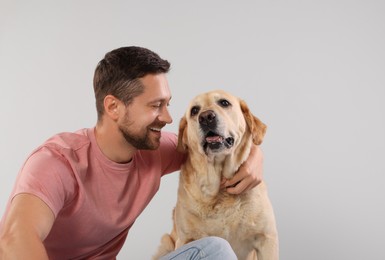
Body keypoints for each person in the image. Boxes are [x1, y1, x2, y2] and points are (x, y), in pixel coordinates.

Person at [0, 46, 264, 259]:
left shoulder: (155, 150)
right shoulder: (57, 162)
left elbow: (216, 142)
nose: (168, 117)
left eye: (167, 104)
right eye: (156, 105)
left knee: (215, 251)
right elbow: (14, 238)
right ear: (114, 107)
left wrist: (255, 157)